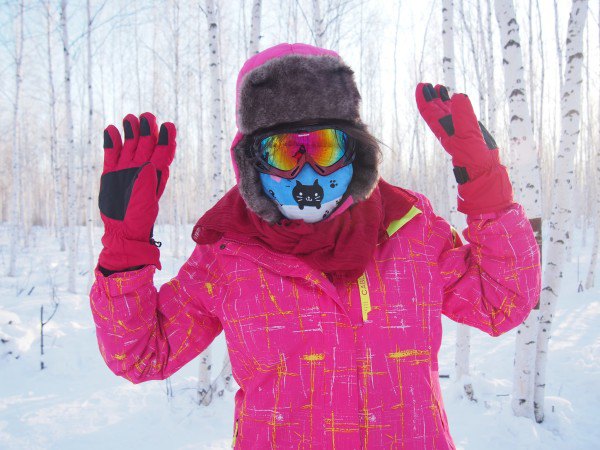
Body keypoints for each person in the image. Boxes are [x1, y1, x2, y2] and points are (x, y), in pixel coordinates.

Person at [90, 43, 541, 449]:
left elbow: (501, 301)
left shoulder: (410, 230)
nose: (309, 174)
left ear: (355, 153)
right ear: (252, 163)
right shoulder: (228, 255)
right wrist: (125, 251)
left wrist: (486, 189)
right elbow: (142, 355)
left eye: (324, 147)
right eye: (284, 153)